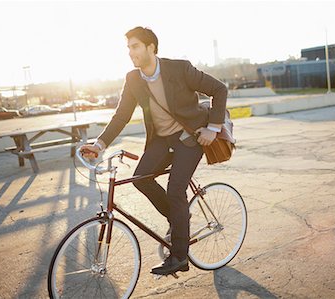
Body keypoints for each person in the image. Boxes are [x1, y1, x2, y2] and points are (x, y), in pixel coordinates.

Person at [81, 26, 227, 276]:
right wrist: (99, 144)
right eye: (128, 48)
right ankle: (179, 221)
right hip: (162, 139)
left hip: (189, 137)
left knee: (175, 189)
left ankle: (179, 257)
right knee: (141, 179)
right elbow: (121, 116)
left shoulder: (179, 69)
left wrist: (213, 128)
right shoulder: (133, 79)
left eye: (135, 46)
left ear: (151, 47)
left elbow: (219, 89)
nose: (130, 52)